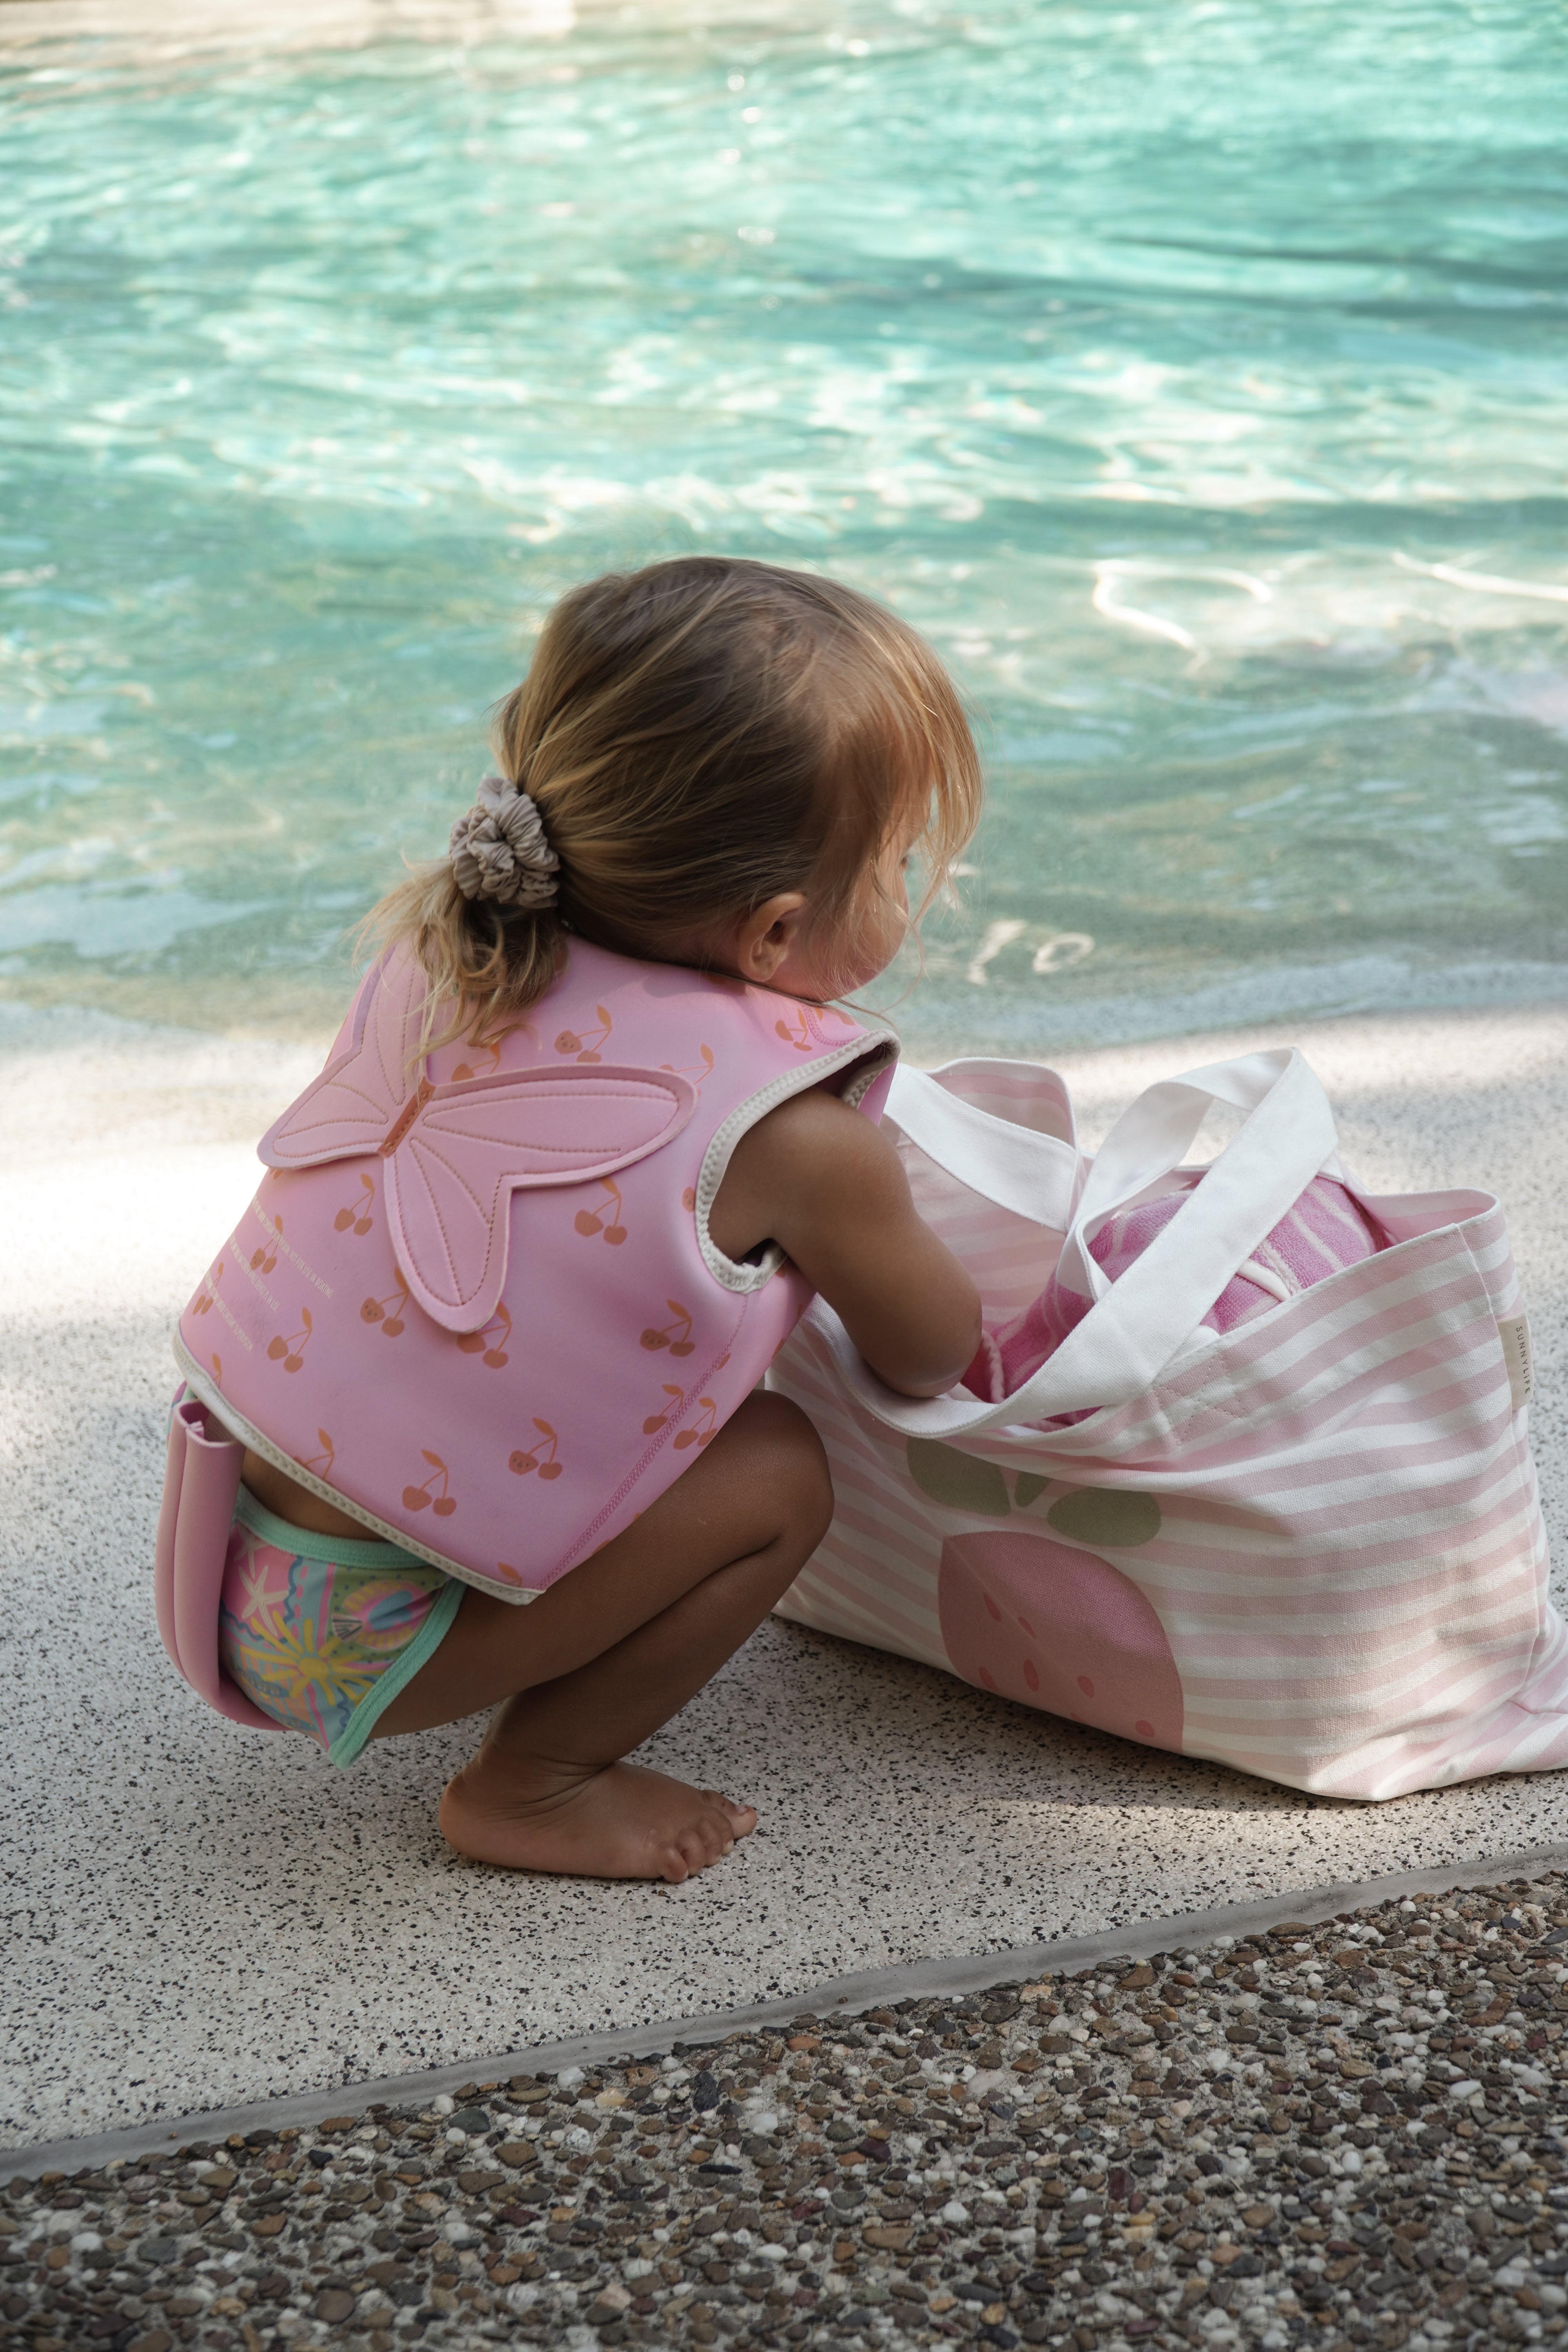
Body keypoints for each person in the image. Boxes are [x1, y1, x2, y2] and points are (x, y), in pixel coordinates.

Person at [171, 556, 984, 1884]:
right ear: (776, 935)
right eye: (900, 862)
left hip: (226, 1556)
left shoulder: (451, 960)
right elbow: (933, 1352)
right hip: (370, 1641)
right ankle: (533, 1785)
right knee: (780, 1468)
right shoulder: (797, 1140)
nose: (912, 885)